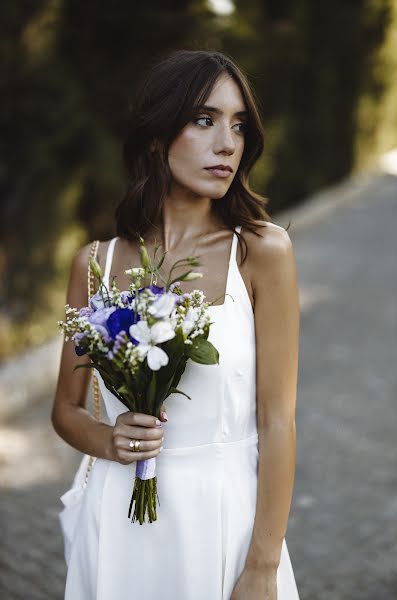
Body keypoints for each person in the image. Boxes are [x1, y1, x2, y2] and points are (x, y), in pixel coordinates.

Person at [52, 49, 300, 600]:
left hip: (223, 522)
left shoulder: (260, 252)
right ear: (158, 136)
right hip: (116, 518)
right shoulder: (96, 264)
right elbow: (66, 410)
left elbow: (278, 421)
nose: (227, 143)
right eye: (205, 120)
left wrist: (262, 565)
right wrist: (110, 439)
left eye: (238, 125)